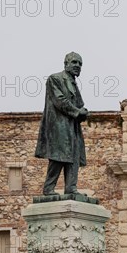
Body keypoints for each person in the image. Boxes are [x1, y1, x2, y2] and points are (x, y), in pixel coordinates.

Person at [35, 52, 88, 195]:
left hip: (72, 126)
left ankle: (71, 187)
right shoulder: (55, 79)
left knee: (74, 155)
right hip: (59, 125)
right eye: (74, 62)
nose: (77, 66)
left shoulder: (73, 83)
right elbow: (60, 101)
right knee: (59, 156)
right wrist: (78, 112)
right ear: (66, 64)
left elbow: (78, 104)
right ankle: (48, 188)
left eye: (80, 64)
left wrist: (83, 113)